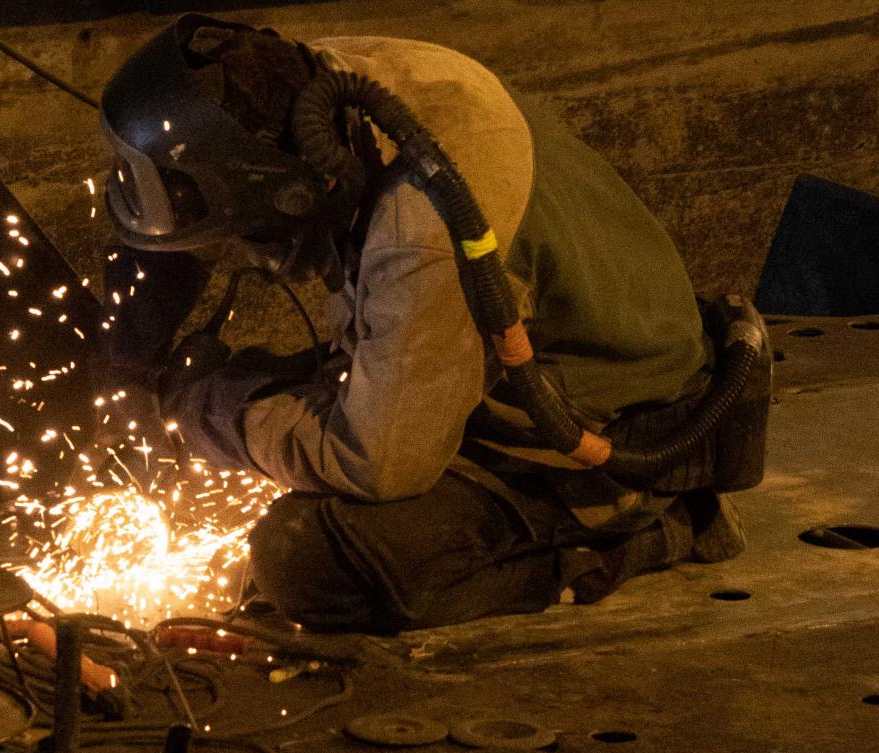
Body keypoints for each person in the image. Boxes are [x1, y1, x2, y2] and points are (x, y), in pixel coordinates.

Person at [95, 15, 754, 634]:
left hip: (602, 433)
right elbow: (178, 208)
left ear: (288, 198)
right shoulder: (320, 88)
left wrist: (205, 416)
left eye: (230, 246)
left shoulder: (428, 233)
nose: (228, 264)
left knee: (302, 554)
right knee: (285, 405)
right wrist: (125, 367)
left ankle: (646, 531)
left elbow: (379, 464)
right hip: (523, 347)